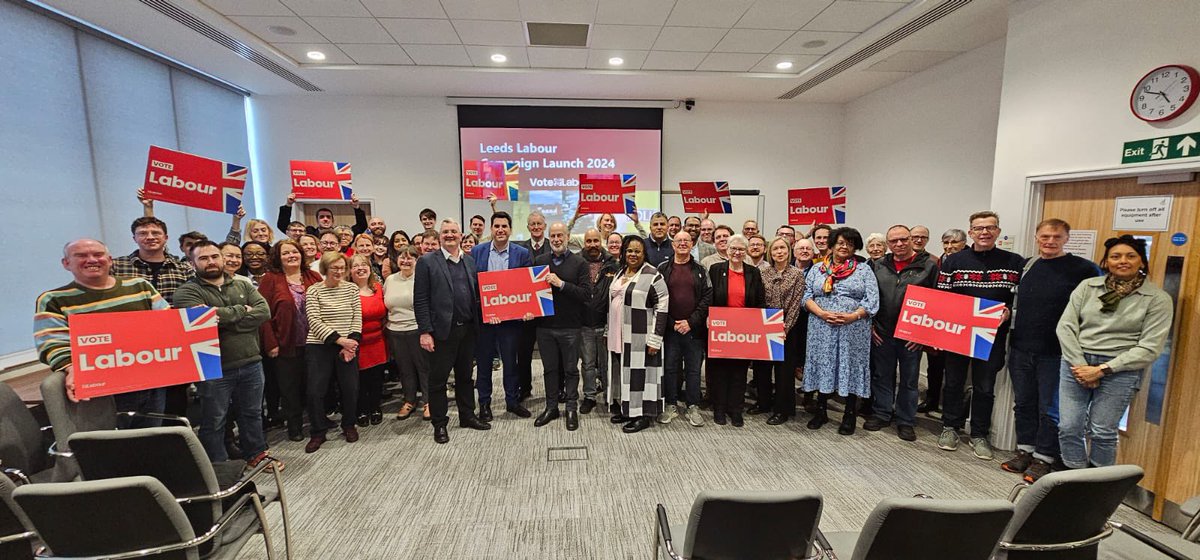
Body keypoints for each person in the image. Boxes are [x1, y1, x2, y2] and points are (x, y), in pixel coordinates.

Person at [1056, 235, 1172, 470]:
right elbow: (1065, 326)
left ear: (1142, 261)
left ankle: (1098, 487)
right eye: (1115, 256)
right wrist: (1081, 367)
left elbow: (1149, 347)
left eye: (1131, 256)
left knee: (1102, 431)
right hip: (1076, 363)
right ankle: (1074, 479)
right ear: (1106, 261)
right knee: (1069, 426)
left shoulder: (1157, 299)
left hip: (1120, 369)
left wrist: (1101, 370)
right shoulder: (1088, 287)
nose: (1123, 261)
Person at [1002, 219, 1102, 481]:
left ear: (1066, 238)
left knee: (1051, 408)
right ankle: (1025, 450)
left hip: (1057, 352)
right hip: (1021, 346)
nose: (1050, 241)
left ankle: (1044, 457)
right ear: (1036, 237)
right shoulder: (1029, 266)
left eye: (1056, 237)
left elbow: (1097, 309)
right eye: (1045, 236)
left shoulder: (1084, 269)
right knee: (1023, 403)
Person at [173, 241, 277, 469]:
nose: (211, 261)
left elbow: (264, 312)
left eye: (214, 256)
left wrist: (220, 318)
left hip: (251, 361)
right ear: (192, 263)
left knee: (252, 413)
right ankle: (218, 466)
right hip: (213, 366)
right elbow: (197, 324)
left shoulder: (242, 284)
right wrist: (241, 312)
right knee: (215, 420)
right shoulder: (187, 292)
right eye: (203, 258)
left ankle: (256, 453)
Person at [35, 239, 169, 411]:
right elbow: (52, 343)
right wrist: (71, 367)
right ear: (66, 263)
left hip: (150, 380)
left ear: (110, 260)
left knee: (151, 433)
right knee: (110, 437)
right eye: (81, 255)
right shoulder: (53, 300)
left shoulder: (140, 286)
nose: (92, 260)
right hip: (98, 387)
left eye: (98, 254)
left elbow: (167, 324)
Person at [936, 211, 1024, 460]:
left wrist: (1010, 312)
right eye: (979, 228)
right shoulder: (953, 262)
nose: (984, 232)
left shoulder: (1014, 262)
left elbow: (1022, 300)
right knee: (953, 383)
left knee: (985, 387)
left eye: (990, 228)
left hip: (992, 335)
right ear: (971, 232)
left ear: (997, 231)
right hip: (957, 333)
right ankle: (950, 427)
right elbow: (941, 299)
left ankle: (979, 434)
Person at [414, 219, 490, 443]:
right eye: (445, 232)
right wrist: (425, 331)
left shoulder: (469, 260)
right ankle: (440, 424)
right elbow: (420, 299)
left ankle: (467, 416)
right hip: (440, 332)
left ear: (460, 235)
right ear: (439, 236)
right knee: (438, 381)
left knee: (466, 377)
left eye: (453, 232)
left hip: (467, 330)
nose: (449, 235)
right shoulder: (427, 262)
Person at [111, 216, 196, 417]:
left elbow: (192, 299)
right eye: (143, 233)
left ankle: (175, 441)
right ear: (134, 238)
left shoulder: (182, 268)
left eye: (155, 233)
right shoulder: (117, 266)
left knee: (176, 398)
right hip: (132, 346)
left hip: (173, 343)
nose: (150, 237)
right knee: (136, 401)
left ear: (166, 237)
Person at [803, 227, 879, 435]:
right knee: (823, 363)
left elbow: (872, 301)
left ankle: (849, 414)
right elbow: (806, 295)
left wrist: (853, 316)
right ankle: (821, 411)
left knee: (850, 365)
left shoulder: (864, 270)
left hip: (853, 328)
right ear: (833, 244)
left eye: (850, 244)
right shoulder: (817, 269)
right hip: (821, 326)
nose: (844, 247)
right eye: (841, 242)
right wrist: (821, 313)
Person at [865, 225, 937, 442]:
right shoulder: (878, 265)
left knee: (909, 380)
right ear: (888, 244)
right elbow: (869, 298)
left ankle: (906, 420)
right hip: (882, 332)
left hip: (911, 335)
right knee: (882, 376)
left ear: (911, 240)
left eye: (903, 239)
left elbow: (936, 302)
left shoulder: (929, 266)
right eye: (893, 241)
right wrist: (871, 326)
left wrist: (922, 335)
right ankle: (882, 413)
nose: (899, 244)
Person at [602, 235, 669, 433]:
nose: (633, 254)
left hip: (641, 336)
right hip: (619, 334)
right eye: (629, 250)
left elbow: (663, 306)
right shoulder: (620, 272)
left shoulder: (653, 274)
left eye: (637, 251)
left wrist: (655, 339)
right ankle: (628, 409)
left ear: (643, 253)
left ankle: (643, 416)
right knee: (624, 373)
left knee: (641, 375)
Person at [258, 239, 322, 441]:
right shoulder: (271, 279)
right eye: (285, 253)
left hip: (315, 342)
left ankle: (317, 421)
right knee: (289, 387)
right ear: (278, 257)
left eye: (294, 252)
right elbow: (263, 315)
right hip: (286, 344)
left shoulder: (313, 276)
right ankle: (294, 426)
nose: (291, 256)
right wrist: (271, 343)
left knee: (314, 385)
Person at [472, 211, 534, 419]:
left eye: (504, 226)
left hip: (511, 320)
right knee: (484, 364)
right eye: (496, 226)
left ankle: (512, 401)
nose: (500, 230)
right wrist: (486, 308)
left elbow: (527, 285)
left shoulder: (521, 253)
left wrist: (527, 309)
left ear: (510, 229)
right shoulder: (477, 252)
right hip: (485, 320)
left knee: (510, 363)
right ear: (491, 229)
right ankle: (484, 403)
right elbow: (473, 286)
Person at [531, 223, 590, 430]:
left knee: (571, 370)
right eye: (553, 236)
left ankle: (571, 408)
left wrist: (561, 284)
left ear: (567, 237)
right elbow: (531, 293)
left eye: (560, 235)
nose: (556, 239)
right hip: (545, 327)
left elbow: (585, 294)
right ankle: (551, 407)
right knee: (550, 370)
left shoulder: (580, 263)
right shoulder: (539, 261)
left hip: (570, 328)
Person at [303, 251, 362, 453]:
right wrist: (340, 340)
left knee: (350, 388)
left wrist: (351, 343)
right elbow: (314, 321)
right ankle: (318, 431)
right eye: (334, 267)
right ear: (325, 269)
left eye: (342, 267)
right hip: (319, 345)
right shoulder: (313, 290)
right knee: (315, 391)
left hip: (348, 345)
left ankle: (348, 425)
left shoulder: (352, 289)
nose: (338, 271)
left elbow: (356, 318)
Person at [706, 235, 765, 427]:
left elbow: (760, 301)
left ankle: (736, 409)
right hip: (721, 328)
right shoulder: (716, 270)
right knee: (719, 370)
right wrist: (708, 316)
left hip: (744, 330)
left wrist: (761, 324)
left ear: (746, 251)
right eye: (733, 248)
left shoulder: (753, 273)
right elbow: (709, 297)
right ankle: (720, 409)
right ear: (727, 250)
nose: (737, 252)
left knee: (739, 372)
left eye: (741, 249)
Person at [656, 231, 711, 427]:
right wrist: (672, 323)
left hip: (694, 330)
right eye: (678, 241)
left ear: (692, 244)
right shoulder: (662, 269)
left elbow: (707, 298)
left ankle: (693, 406)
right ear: (672, 245)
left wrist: (690, 322)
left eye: (686, 241)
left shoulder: (700, 269)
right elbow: (657, 299)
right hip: (670, 330)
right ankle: (670, 404)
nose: (682, 244)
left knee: (693, 370)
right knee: (670, 368)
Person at [752, 236, 804, 425]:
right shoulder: (763, 272)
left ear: (788, 251)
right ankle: (763, 402)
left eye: (782, 248)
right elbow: (758, 298)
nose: (779, 252)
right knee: (762, 369)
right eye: (775, 249)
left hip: (787, 328)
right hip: (765, 325)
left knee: (784, 371)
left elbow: (796, 303)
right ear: (770, 252)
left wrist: (785, 327)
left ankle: (782, 409)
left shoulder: (797, 274)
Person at [917, 227, 968, 414]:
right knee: (934, 365)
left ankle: (951, 409)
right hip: (938, 322)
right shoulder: (939, 262)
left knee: (956, 371)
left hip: (960, 324)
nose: (949, 246)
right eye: (946, 243)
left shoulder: (969, 262)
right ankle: (931, 400)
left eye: (954, 243)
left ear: (963, 243)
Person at [385, 246, 430, 421]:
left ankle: (428, 401)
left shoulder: (421, 279)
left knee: (424, 368)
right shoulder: (389, 280)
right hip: (395, 331)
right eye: (402, 258)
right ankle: (409, 400)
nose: (405, 261)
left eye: (410, 258)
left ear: (417, 260)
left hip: (416, 329)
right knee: (405, 369)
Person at [579, 228, 617, 414]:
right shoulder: (577, 263)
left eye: (596, 240)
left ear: (601, 240)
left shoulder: (613, 264)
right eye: (589, 241)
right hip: (584, 323)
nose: (593, 245)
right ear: (584, 243)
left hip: (607, 323)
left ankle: (611, 396)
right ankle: (589, 396)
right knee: (587, 364)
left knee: (608, 363)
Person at [349, 254, 387, 427]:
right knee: (360, 379)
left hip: (378, 340)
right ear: (350, 270)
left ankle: (375, 406)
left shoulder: (378, 288)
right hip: (357, 343)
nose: (360, 268)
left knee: (376, 377)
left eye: (364, 264)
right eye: (355, 265)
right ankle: (361, 408)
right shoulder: (347, 290)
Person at [514, 211, 549, 402]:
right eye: (532, 224)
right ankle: (524, 388)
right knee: (524, 352)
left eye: (539, 224)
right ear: (528, 227)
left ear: (545, 226)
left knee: (550, 354)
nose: (536, 227)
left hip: (547, 310)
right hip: (525, 311)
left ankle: (554, 389)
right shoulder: (520, 249)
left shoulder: (554, 246)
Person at [137, 188, 243, 245]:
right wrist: (148, 207)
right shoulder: (177, 267)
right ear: (182, 248)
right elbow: (154, 235)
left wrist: (236, 220)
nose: (194, 248)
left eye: (199, 244)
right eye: (189, 244)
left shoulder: (215, 264)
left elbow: (232, 245)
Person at [793, 238, 818, 412]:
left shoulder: (818, 270)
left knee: (810, 358)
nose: (804, 251)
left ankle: (809, 394)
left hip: (811, 319)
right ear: (794, 252)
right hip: (789, 320)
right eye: (800, 248)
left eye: (808, 248)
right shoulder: (787, 268)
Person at [277, 192, 367, 237]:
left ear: (333, 220)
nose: (325, 219)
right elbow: (284, 226)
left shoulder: (341, 233)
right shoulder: (309, 233)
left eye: (328, 217)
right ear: (317, 220)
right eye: (322, 217)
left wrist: (356, 207)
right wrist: (288, 205)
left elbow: (361, 226)